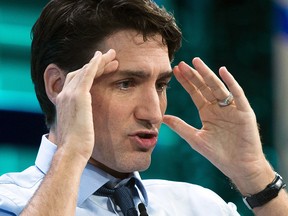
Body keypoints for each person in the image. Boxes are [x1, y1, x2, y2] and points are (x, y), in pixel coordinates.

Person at [0, 0, 287, 215]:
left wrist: (254, 175)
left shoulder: (199, 206)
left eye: (161, 85)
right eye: (125, 83)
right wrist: (71, 152)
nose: (153, 113)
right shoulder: (10, 201)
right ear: (58, 86)